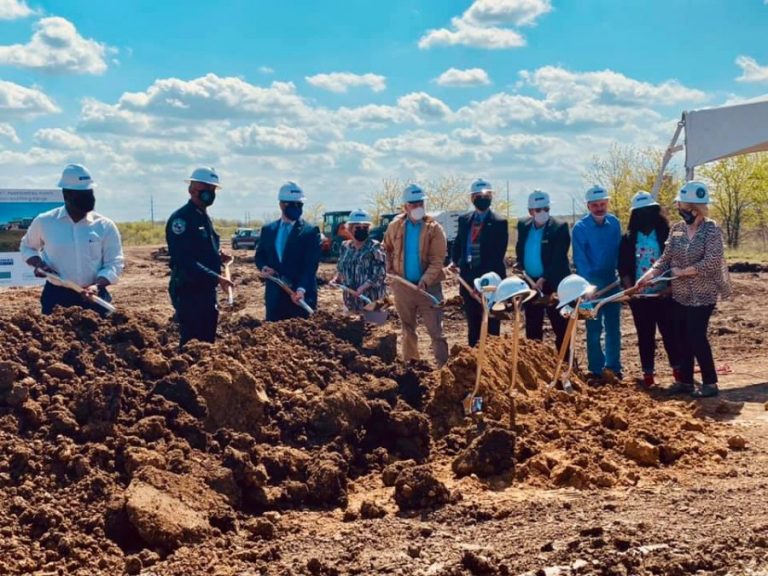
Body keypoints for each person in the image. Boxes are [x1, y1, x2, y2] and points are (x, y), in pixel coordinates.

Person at [636, 181, 730, 398]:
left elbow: (713, 261)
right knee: (681, 336)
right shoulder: (677, 230)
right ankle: (685, 381)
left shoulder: (711, 229)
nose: (678, 208)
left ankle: (710, 383)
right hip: (681, 295)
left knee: (696, 336)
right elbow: (665, 258)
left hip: (703, 294)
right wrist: (649, 275)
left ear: (694, 208)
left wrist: (685, 271)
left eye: (682, 205)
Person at [20, 164, 124, 316]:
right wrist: (39, 264)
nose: (89, 199)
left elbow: (114, 262)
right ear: (66, 195)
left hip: (95, 297)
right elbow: (27, 247)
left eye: (90, 193)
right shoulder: (45, 221)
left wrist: (97, 285)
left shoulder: (105, 225)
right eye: (82, 195)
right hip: (56, 298)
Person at [166, 167, 233, 346]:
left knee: (207, 338)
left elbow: (201, 250)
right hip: (189, 290)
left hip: (206, 290)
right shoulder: (182, 220)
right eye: (205, 188)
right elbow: (184, 259)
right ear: (192, 189)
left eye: (212, 190)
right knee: (192, 341)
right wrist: (217, 277)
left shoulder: (204, 217)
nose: (209, 193)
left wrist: (218, 256)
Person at [383, 184, 449, 366]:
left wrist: (425, 280)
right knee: (407, 329)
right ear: (405, 206)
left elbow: (437, 260)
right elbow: (386, 249)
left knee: (436, 331)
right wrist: (389, 267)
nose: (417, 206)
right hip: (403, 287)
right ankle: (412, 366)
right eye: (413, 203)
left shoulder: (434, 229)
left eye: (420, 202)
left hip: (429, 289)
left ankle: (443, 368)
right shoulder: (395, 226)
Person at [619, 191, 678, 388]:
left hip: (664, 296)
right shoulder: (628, 238)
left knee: (670, 334)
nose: (644, 214)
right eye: (640, 211)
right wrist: (630, 290)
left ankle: (678, 372)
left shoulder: (666, 234)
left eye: (648, 210)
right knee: (645, 336)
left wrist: (670, 288)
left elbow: (676, 262)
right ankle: (648, 375)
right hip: (640, 298)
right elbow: (624, 267)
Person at [572, 184, 623, 383]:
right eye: (595, 205)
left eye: (603, 204)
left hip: (612, 283)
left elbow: (620, 251)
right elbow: (579, 258)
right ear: (588, 206)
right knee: (592, 329)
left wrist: (623, 276)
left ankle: (614, 367)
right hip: (588, 287)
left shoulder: (615, 223)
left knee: (613, 327)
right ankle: (595, 368)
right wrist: (586, 288)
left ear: (607, 203)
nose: (600, 208)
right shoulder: (580, 228)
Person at [450, 178, 508, 346]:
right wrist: (455, 261)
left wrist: (480, 284)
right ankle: (474, 360)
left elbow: (497, 255)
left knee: (491, 323)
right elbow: (459, 243)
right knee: (473, 324)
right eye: (478, 195)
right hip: (468, 279)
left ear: (491, 197)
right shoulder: (464, 220)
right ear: (472, 198)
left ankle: (492, 361)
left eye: (487, 195)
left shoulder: (499, 222)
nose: (483, 198)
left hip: (490, 281)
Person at [256, 181, 321, 321]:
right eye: (292, 204)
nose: (297, 208)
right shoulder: (268, 230)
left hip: (299, 297)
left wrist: (301, 289)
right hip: (275, 299)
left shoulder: (309, 232)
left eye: (300, 205)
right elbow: (260, 256)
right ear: (281, 204)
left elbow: (311, 266)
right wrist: (263, 267)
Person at [515, 190, 571, 353]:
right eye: (538, 210)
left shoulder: (559, 227)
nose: (543, 213)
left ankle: (566, 364)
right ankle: (536, 362)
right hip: (531, 285)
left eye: (546, 209)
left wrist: (544, 278)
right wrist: (520, 265)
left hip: (553, 285)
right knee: (532, 326)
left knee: (560, 325)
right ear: (530, 211)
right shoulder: (523, 226)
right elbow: (521, 248)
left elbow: (559, 257)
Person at [333, 208, 387, 323]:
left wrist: (363, 288)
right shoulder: (345, 246)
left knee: (374, 333)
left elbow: (380, 273)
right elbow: (341, 268)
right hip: (350, 301)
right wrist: (336, 279)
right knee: (352, 333)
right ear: (350, 228)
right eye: (358, 227)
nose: (362, 230)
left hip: (371, 301)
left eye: (365, 228)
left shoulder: (375, 247)